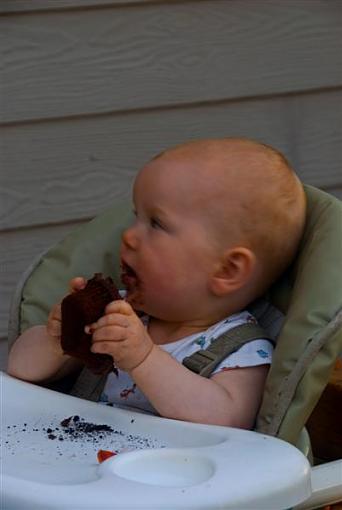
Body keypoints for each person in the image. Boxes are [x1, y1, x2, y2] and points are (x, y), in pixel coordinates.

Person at [7, 137, 306, 429]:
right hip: (75, 461)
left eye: (157, 224)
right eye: (137, 217)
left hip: (176, 474)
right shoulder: (116, 316)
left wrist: (144, 358)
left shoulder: (243, 350)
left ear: (228, 270)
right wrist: (57, 338)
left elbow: (225, 420)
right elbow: (22, 370)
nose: (128, 235)